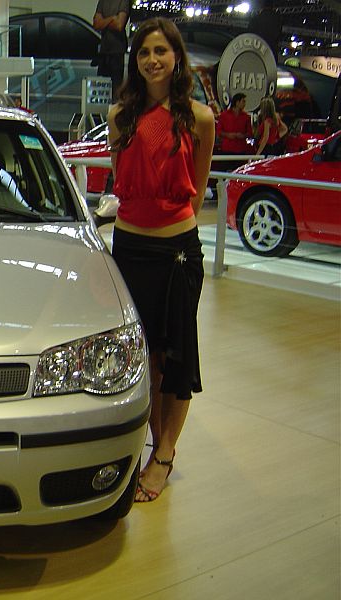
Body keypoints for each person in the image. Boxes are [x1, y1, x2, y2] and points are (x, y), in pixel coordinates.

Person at [106, 18, 215, 502]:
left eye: (161, 51)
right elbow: (123, 185)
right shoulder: (118, 117)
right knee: (142, 357)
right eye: (144, 51)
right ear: (135, 59)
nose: (152, 59)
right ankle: (149, 443)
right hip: (129, 251)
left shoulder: (199, 118)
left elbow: (196, 190)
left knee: (175, 357)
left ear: (176, 58)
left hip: (176, 253)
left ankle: (165, 454)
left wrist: (170, 226)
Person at [93, 0, 130, 101]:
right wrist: (112, 18)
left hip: (117, 51)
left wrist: (104, 21)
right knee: (101, 89)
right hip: (104, 52)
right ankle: (102, 114)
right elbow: (96, 24)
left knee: (116, 91)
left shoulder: (123, 1)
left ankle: (115, 114)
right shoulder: (103, 1)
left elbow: (119, 25)